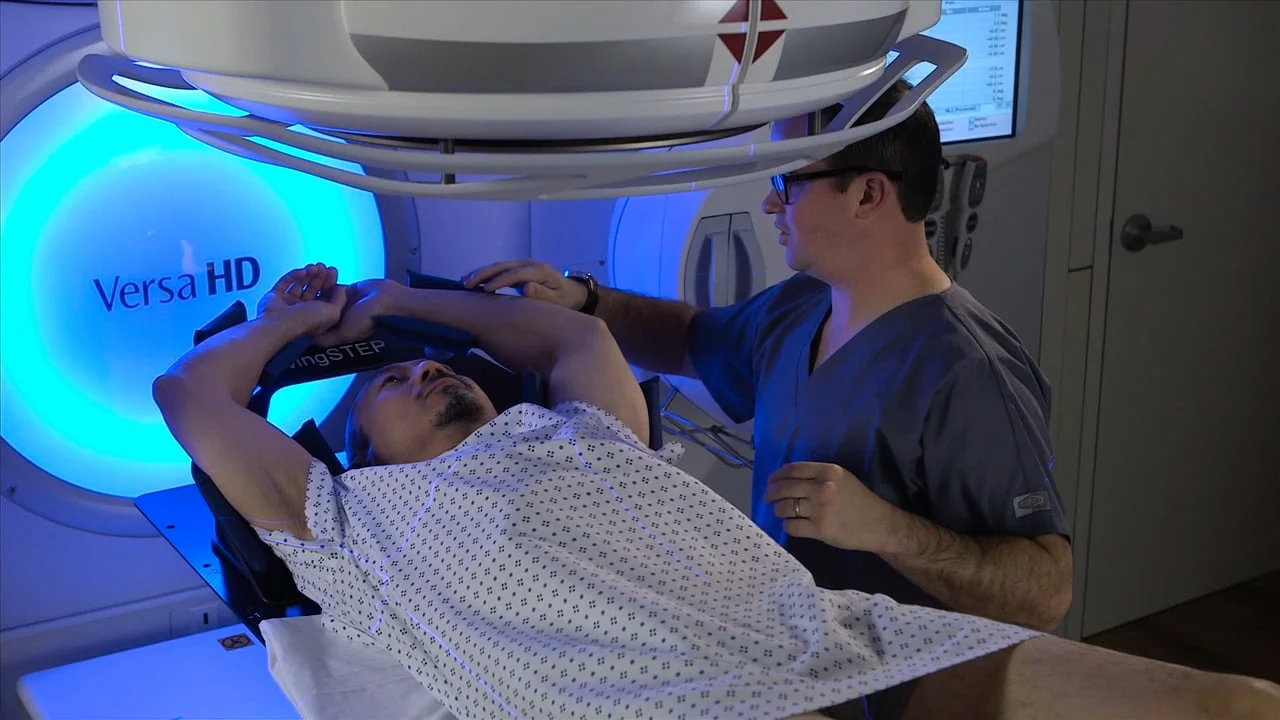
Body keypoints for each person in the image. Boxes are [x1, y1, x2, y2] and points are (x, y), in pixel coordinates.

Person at [152, 263, 1280, 720]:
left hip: (836, 638)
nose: (428, 373)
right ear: (357, 455)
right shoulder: (347, 521)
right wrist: (298, 324)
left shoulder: (580, 425)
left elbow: (568, 336)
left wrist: (399, 301)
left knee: (1229, 706)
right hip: (672, 705)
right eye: (393, 385)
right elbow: (190, 394)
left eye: (435, 366)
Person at [462, 80, 1072, 630]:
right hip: (792, 656)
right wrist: (583, 299)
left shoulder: (969, 370)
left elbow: (1046, 591)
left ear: (867, 194)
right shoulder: (802, 305)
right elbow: (688, 339)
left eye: (788, 181)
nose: (770, 204)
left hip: (901, 685)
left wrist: (886, 529)